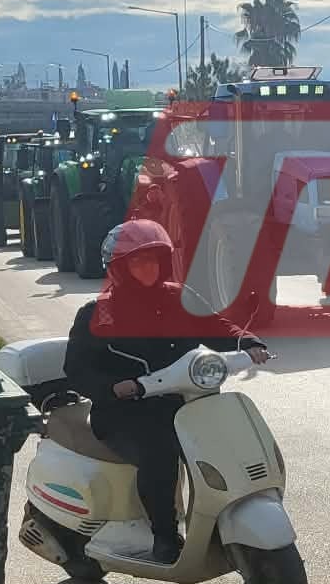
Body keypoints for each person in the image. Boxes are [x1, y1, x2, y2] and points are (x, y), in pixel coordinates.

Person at [63, 219, 270, 563]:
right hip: (124, 413)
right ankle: (165, 535)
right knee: (159, 453)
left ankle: (229, 519)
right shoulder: (97, 313)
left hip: (187, 403)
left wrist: (247, 342)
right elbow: (76, 370)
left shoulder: (179, 296)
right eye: (137, 261)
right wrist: (112, 388)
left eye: (153, 259)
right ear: (120, 268)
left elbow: (217, 326)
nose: (148, 268)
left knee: (229, 442)